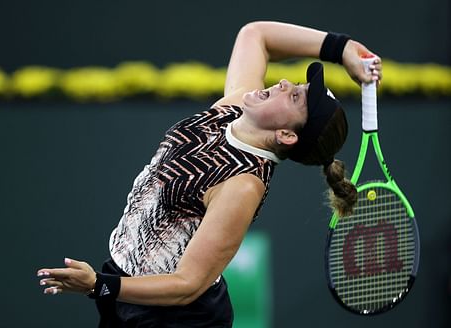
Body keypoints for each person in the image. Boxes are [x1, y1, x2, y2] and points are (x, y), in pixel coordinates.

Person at [37, 21, 382, 327]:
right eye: (293, 84)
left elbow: (187, 285)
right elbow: (256, 34)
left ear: (287, 136)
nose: (281, 82)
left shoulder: (243, 185)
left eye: (293, 96)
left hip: (175, 316)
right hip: (127, 289)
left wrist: (99, 285)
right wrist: (342, 48)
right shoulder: (232, 108)